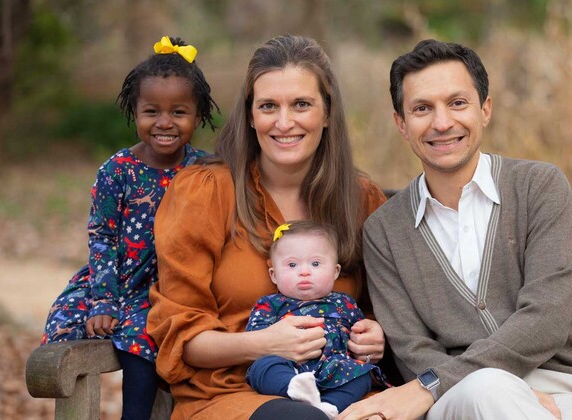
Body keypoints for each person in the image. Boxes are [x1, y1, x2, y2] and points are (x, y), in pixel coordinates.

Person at [339, 39, 572, 420]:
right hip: (455, 399)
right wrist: (484, 388)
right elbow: (410, 348)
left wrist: (496, 390)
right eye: (422, 109)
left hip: (564, 389)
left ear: (485, 110)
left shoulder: (539, 187)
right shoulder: (384, 230)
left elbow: (546, 317)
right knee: (488, 389)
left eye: (457, 103)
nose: (441, 122)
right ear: (401, 124)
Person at [147, 34, 388, 420]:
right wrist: (265, 344)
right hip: (233, 394)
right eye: (268, 106)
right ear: (250, 116)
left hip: (343, 392)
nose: (284, 122)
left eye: (302, 105)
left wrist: (376, 336)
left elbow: (386, 311)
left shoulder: (360, 201)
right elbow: (182, 340)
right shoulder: (206, 193)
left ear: (327, 114)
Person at [40, 36, 218, 420]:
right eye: (152, 111)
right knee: (71, 321)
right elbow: (101, 238)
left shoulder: (206, 171)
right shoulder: (117, 171)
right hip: (118, 279)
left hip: (171, 285)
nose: (165, 123)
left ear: (199, 114)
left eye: (179, 112)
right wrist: (103, 300)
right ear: (133, 112)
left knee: (146, 329)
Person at [246, 221, 386, 419]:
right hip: (290, 365)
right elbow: (255, 336)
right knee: (264, 367)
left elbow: (362, 334)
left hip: (336, 368)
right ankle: (293, 389)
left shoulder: (344, 302)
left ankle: (330, 406)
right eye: (292, 265)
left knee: (362, 375)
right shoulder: (270, 304)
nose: (304, 272)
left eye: (316, 263)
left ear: (335, 272)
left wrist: (365, 340)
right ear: (274, 275)